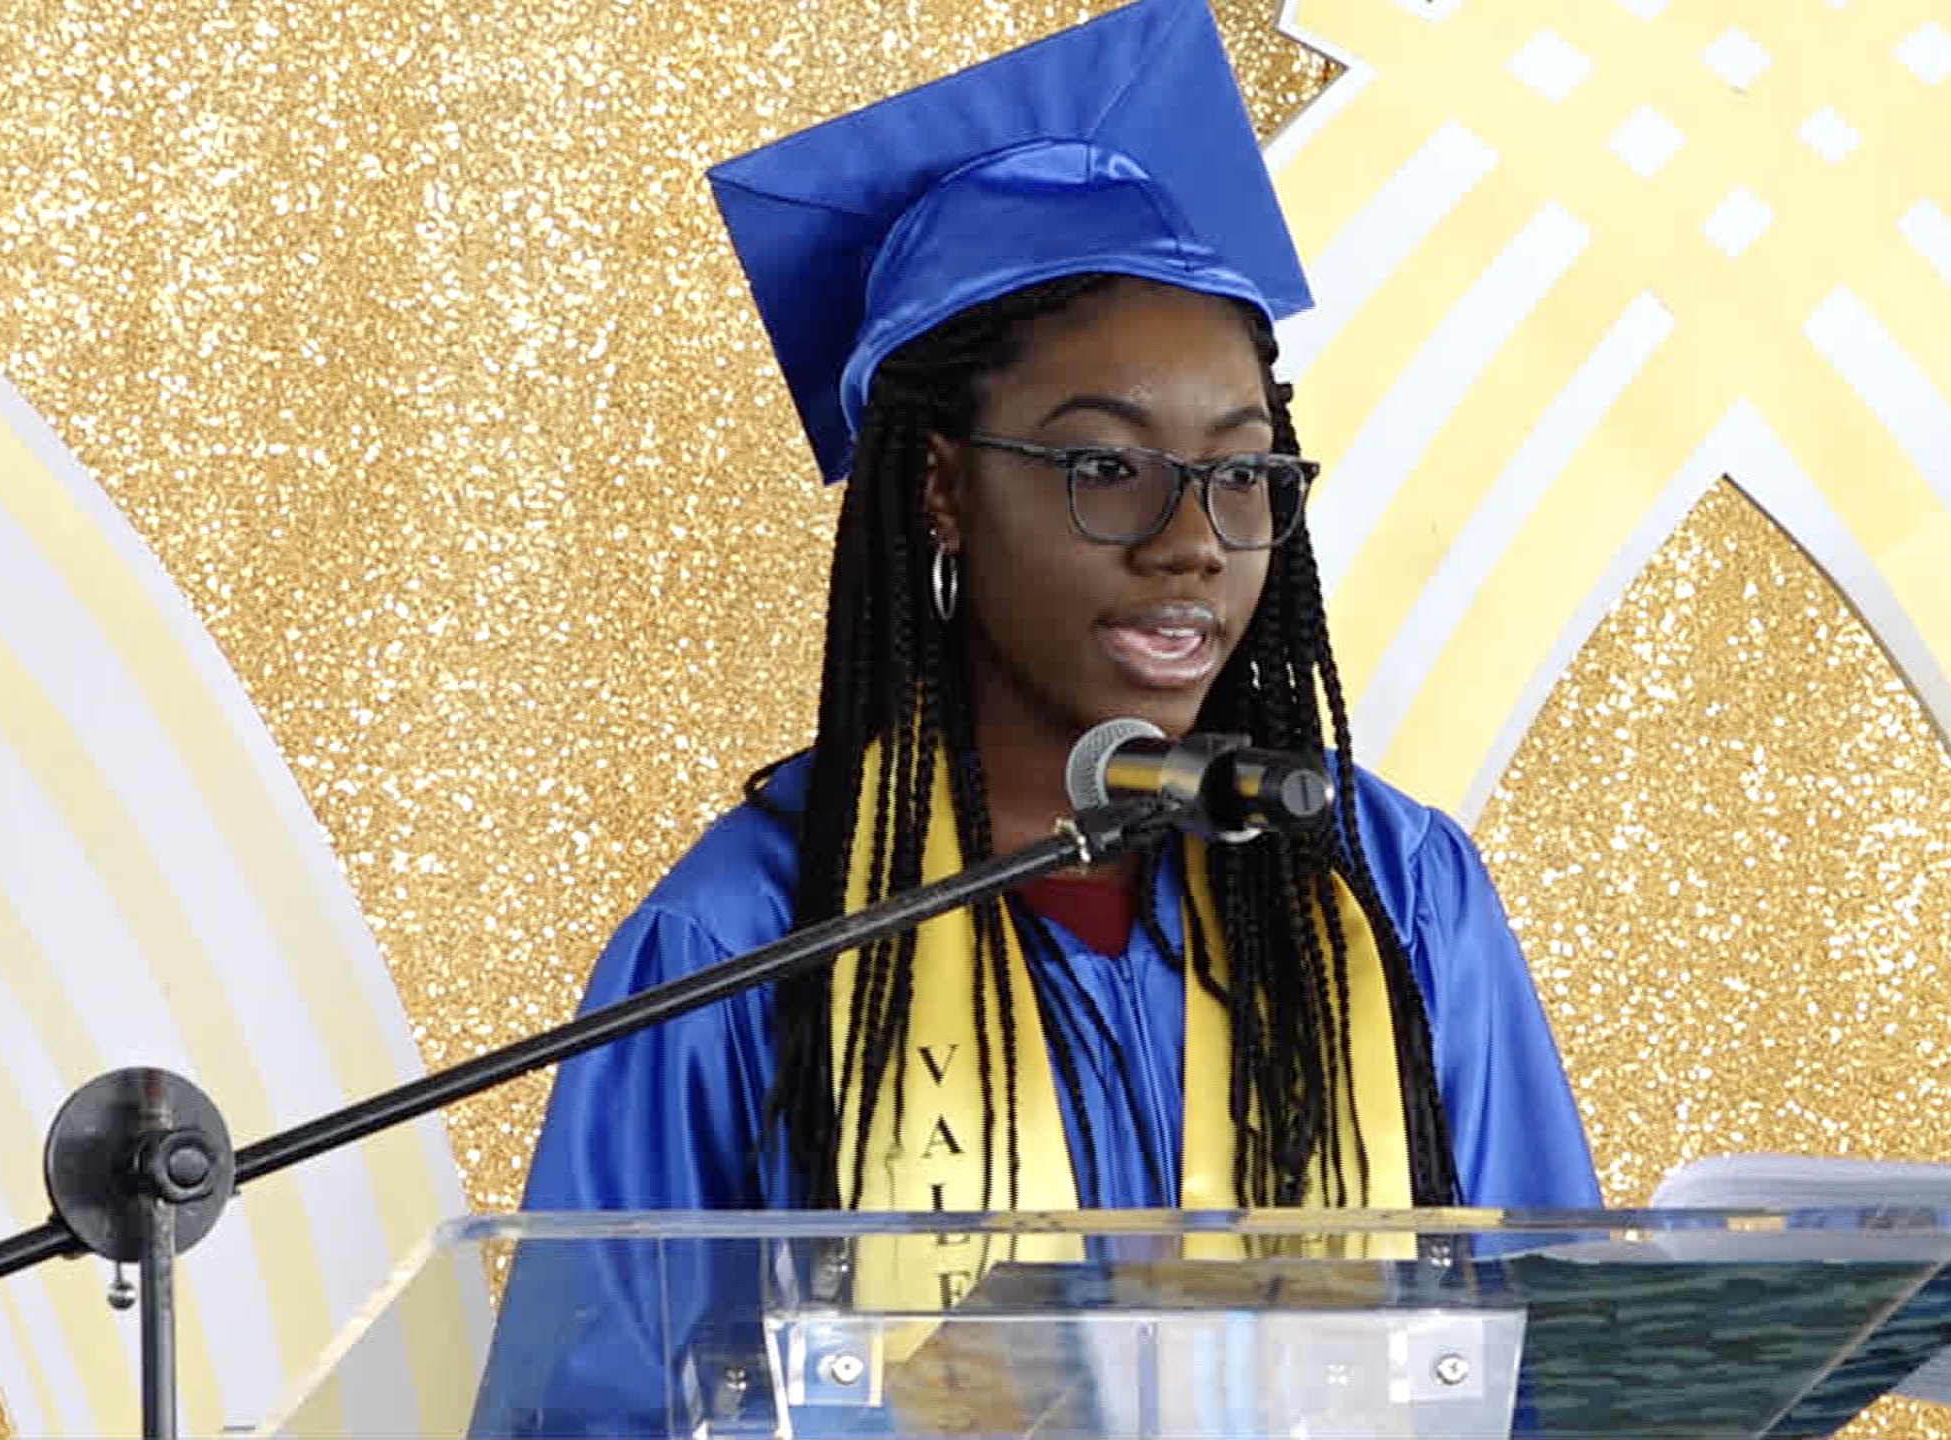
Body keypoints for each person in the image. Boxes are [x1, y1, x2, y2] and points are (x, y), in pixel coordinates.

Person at [468, 0, 1597, 1431]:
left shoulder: (1394, 890)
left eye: (1242, 473)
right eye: (1104, 467)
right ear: (942, 489)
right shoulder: (753, 938)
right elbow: (598, 1417)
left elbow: (1558, 1366)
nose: (1193, 541)